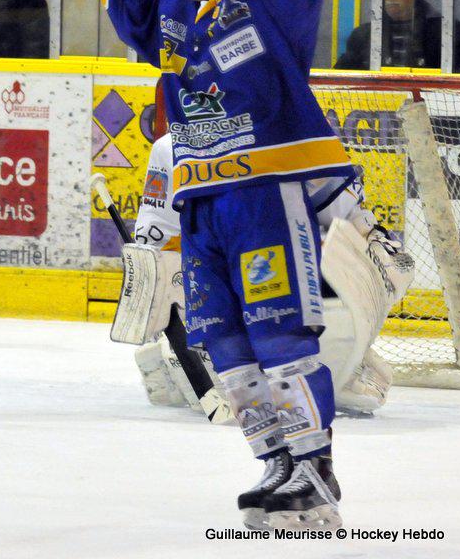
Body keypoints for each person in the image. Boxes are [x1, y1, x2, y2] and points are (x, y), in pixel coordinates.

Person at [49, 0, 359, 532]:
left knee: (280, 335)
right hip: (201, 203)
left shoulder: (268, 0)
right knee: (225, 345)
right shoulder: (175, 14)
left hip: (262, 193)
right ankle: (276, 462)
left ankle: (315, 470)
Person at [133, 130, 414, 417]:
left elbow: (348, 229)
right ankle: (187, 357)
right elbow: (155, 245)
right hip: (222, 288)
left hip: (276, 280)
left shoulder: (293, 133)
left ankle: (327, 359)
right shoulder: (172, 148)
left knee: (366, 270)